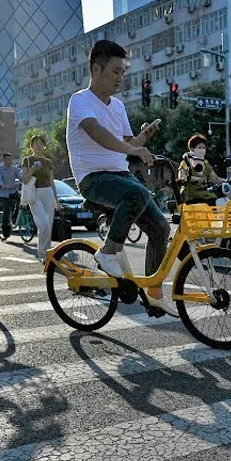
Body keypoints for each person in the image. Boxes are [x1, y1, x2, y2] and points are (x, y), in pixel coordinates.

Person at [65, 39, 174, 315]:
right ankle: (108, 252)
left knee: (161, 228)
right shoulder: (80, 101)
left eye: (123, 73)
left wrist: (144, 137)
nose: (120, 79)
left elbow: (129, 144)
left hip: (121, 176)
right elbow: (98, 134)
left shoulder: (119, 107)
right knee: (137, 193)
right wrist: (130, 147)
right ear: (95, 69)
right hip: (93, 179)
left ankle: (153, 292)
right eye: (115, 72)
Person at [21, 135, 63, 263]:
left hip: (48, 193)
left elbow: (51, 181)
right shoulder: (27, 160)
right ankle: (41, 253)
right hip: (34, 194)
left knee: (48, 225)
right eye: (36, 143)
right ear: (31, 146)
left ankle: (45, 253)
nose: (39, 146)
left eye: (41, 143)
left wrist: (57, 200)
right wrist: (33, 168)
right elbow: (24, 179)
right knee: (43, 224)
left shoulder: (48, 162)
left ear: (44, 146)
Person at [177, 134, 223, 204]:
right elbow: (181, 178)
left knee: (222, 203)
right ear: (192, 149)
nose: (202, 150)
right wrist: (196, 179)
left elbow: (215, 179)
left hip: (205, 195)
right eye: (199, 148)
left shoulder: (206, 163)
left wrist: (228, 181)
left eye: (203, 148)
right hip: (190, 196)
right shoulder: (185, 163)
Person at [0, 152, 23, 235]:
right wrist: (4, 186)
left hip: (12, 192)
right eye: (7, 160)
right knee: (7, 209)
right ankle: (5, 230)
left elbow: (21, 177)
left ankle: (14, 218)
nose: (9, 162)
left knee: (23, 201)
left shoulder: (14, 169)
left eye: (10, 160)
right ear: (3, 160)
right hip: (2, 194)